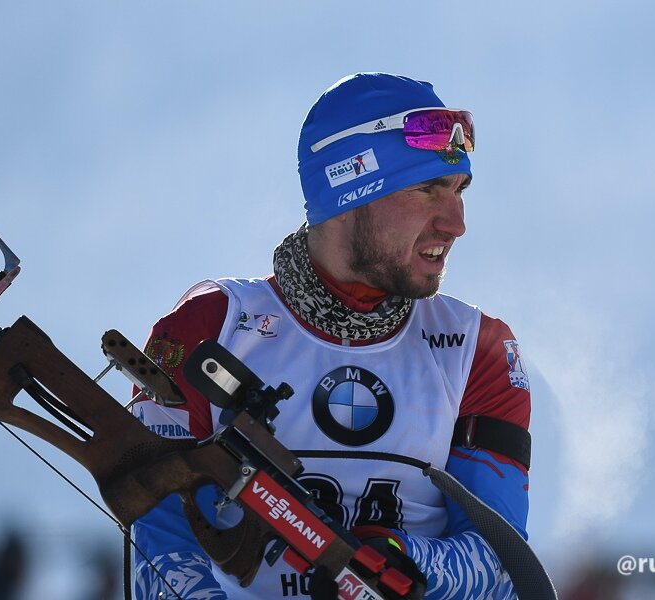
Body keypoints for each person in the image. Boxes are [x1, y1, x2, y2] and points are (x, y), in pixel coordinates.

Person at [131, 73, 532, 600]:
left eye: (459, 190)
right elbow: (159, 543)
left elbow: (502, 561)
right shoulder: (208, 327)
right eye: (427, 189)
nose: (456, 223)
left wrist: (401, 560)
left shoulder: (478, 348)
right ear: (349, 188)